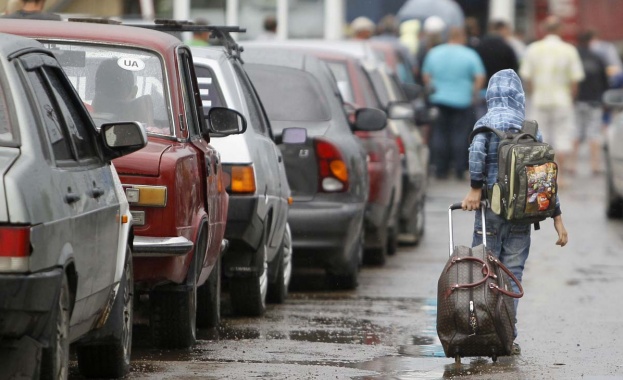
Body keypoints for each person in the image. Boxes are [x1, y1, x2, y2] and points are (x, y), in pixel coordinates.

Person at [462, 69, 569, 354]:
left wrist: (475, 188)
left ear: (491, 94)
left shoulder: (485, 123)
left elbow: (476, 154)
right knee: (513, 272)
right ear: (519, 95)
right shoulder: (530, 127)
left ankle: (480, 327)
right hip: (524, 213)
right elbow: (543, 177)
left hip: (491, 210)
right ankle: (507, 333)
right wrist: (557, 218)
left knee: (483, 267)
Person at [519, 15, 585, 181]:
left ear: (543, 29)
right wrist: (571, 97)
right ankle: (559, 177)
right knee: (562, 136)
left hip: (540, 99)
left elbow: (527, 78)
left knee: (541, 137)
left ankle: (543, 177)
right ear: (560, 29)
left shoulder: (533, 49)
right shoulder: (569, 50)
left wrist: (533, 94)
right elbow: (575, 79)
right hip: (562, 99)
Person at [422, 27, 485, 180]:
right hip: (462, 100)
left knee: (439, 134)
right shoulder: (470, 54)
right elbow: (479, 76)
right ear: (462, 37)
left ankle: (440, 168)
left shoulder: (434, 53)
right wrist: (473, 93)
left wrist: (434, 88)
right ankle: (459, 168)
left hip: (439, 99)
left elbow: (426, 75)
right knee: (460, 135)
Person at [572, 31, 609, 176]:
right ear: (591, 41)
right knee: (594, 133)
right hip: (594, 101)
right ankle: (595, 165)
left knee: (575, 132)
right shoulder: (598, 58)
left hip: (577, 101)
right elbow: (605, 82)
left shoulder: (574, 58)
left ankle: (571, 164)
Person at [473, 19, 520, 119]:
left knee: (481, 120)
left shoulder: (479, 46)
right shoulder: (507, 47)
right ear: (501, 29)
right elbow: (514, 69)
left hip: (483, 90)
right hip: (501, 91)